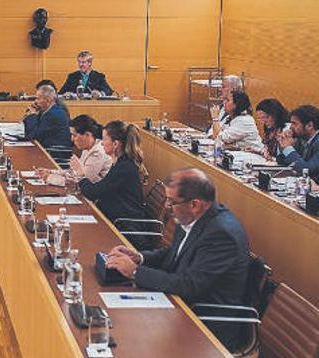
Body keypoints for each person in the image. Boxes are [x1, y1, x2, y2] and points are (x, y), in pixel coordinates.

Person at [106, 168, 250, 307]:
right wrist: (140, 258)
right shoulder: (190, 216)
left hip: (202, 317)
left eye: (171, 201)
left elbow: (190, 286)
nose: (166, 206)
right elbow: (175, 253)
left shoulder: (221, 235)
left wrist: (135, 272)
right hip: (178, 300)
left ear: (194, 205)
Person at [78, 120, 147, 223]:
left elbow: (92, 192)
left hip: (124, 226)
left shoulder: (124, 168)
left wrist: (81, 175)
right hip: (115, 218)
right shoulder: (121, 162)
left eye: (105, 139)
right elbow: (102, 188)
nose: (101, 142)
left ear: (115, 144)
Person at [278, 105, 319, 189]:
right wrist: (284, 143)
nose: (290, 127)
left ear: (309, 125)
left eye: (294, 123)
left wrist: (288, 148)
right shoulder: (302, 137)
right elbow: (281, 161)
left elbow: (306, 170)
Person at [67, 115, 111, 183]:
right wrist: (51, 173)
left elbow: (85, 181)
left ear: (87, 135)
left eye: (75, 135)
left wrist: (78, 168)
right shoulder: (87, 148)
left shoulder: (98, 152)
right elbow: (75, 174)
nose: (72, 139)